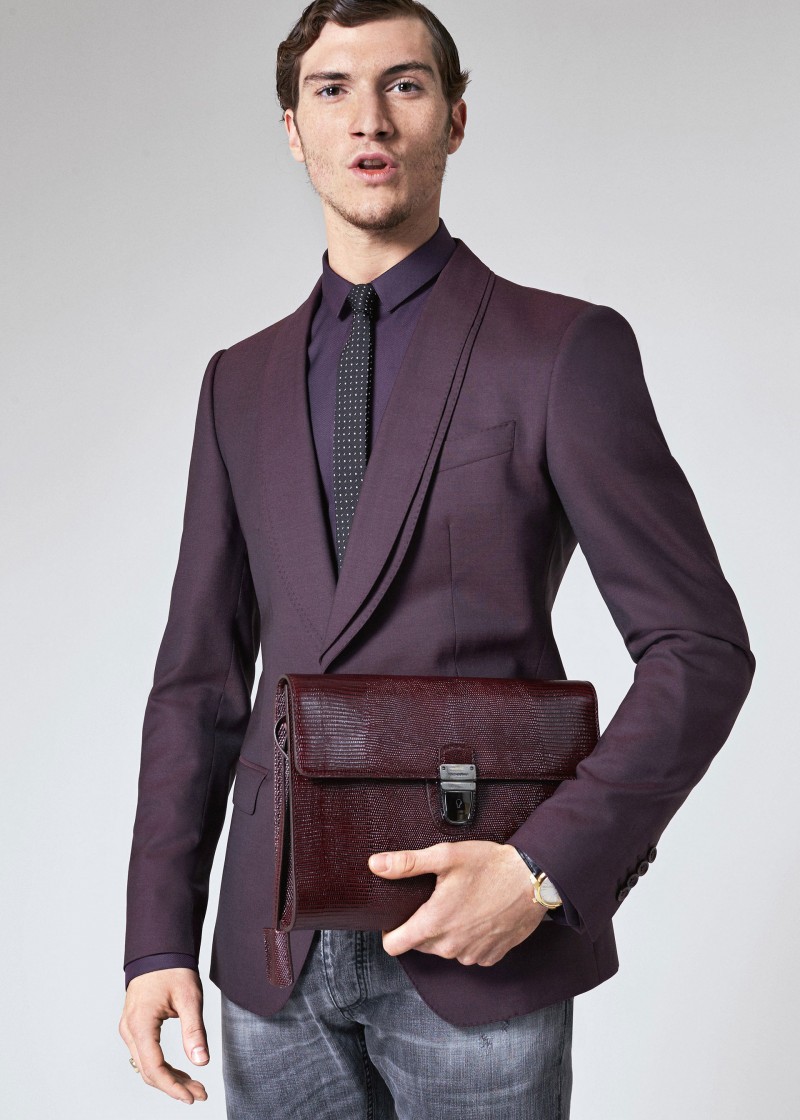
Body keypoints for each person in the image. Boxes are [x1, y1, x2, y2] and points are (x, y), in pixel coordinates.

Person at [119, 1, 755, 1116]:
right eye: (332, 90)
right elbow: (198, 685)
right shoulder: (237, 383)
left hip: (476, 941)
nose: (368, 119)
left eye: (404, 86)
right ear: (292, 129)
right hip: (272, 954)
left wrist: (541, 871)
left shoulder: (561, 350)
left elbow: (700, 650)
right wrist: (156, 937)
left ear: (455, 119)